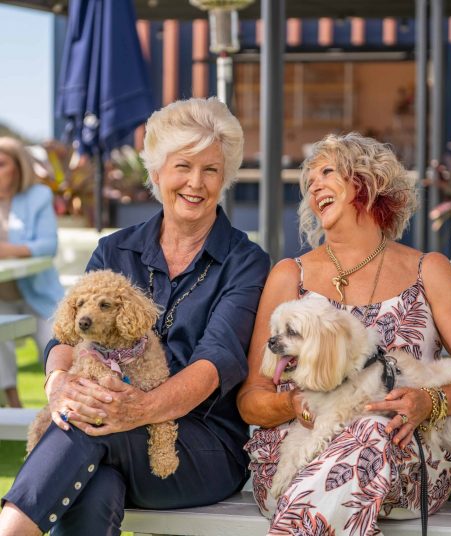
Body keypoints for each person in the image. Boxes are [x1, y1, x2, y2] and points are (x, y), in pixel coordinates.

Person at [0, 97, 270, 535]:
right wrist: (58, 387)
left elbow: (213, 364)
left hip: (201, 447)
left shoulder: (245, 262)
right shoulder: (114, 249)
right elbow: (66, 338)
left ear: (226, 178)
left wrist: (138, 410)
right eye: (183, 166)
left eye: (211, 170)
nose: (195, 183)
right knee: (95, 483)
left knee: (87, 427)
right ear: (157, 172)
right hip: (108, 435)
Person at [237, 132, 451, 534]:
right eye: (309, 179)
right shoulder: (289, 276)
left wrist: (429, 401)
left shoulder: (429, 270)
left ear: (368, 182)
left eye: (327, 171)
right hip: (296, 460)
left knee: (373, 424)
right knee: (364, 432)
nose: (314, 184)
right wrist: (294, 405)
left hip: (402, 460)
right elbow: (251, 399)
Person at [0, 137, 64, 407]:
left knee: (54, 343)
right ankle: (13, 403)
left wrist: (7, 249)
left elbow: (48, 245)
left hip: (38, 295)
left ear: (18, 166)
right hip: (3, 299)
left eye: (1, 164)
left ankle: (62, 404)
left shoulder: (37, 196)